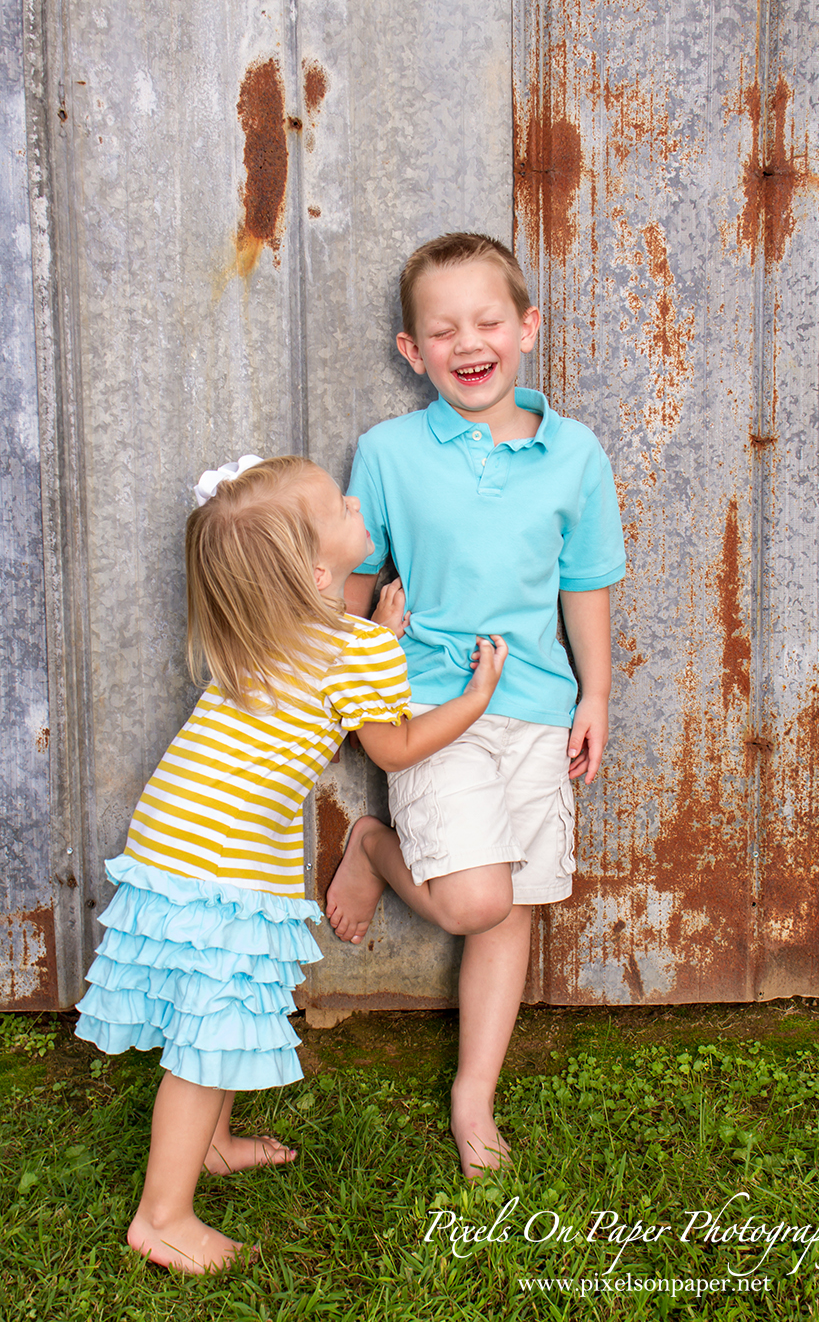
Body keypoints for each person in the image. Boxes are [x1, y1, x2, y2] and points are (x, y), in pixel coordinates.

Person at [75, 453, 507, 1273]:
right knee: (207, 1038)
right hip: (224, 856)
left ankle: (212, 1146)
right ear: (316, 569)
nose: (355, 501)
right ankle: (161, 1218)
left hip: (181, 834)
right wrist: (473, 700)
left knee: (225, 1004)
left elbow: (328, 674)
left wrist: (374, 639)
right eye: (342, 506)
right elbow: (398, 745)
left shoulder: (264, 631)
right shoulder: (357, 652)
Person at [327, 232, 626, 1179]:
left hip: (538, 706)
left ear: (526, 328)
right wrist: (365, 635)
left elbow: (585, 583)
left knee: (514, 909)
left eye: (488, 320)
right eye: (442, 329)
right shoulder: (389, 452)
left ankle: (474, 1093)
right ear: (413, 351)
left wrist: (596, 695)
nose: (469, 341)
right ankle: (373, 845)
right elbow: (353, 574)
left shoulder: (574, 454)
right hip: (427, 706)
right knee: (474, 898)